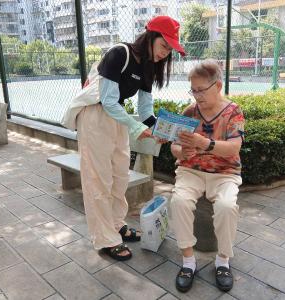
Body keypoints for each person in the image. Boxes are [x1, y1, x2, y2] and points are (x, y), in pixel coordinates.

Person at [75, 16, 185, 261]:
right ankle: (106, 239)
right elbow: (108, 101)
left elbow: (146, 112)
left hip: (118, 118)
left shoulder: (148, 67)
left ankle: (116, 223)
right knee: (99, 180)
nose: (165, 54)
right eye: (164, 46)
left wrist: (161, 131)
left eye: (170, 50)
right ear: (151, 36)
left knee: (120, 176)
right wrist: (136, 129)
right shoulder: (119, 54)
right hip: (95, 115)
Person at [169, 60, 245, 293]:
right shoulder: (189, 112)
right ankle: (188, 261)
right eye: (193, 90)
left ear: (218, 85)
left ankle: (223, 260)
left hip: (224, 173)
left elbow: (234, 148)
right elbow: (174, 146)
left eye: (202, 90)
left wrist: (205, 143)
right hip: (191, 170)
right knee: (179, 201)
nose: (197, 95)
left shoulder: (233, 111)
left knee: (226, 206)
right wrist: (184, 151)